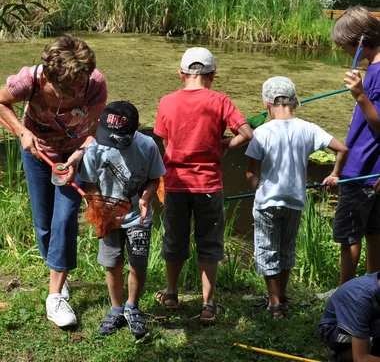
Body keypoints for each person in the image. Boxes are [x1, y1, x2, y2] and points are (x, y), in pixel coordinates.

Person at [0, 34, 107, 327]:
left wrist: (81, 153)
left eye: (78, 87)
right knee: (44, 222)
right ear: (49, 77)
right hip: (38, 153)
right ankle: (58, 273)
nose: (75, 94)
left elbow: (94, 128)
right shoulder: (28, 81)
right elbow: (1, 103)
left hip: (74, 154)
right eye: (67, 89)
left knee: (66, 218)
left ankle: (55, 296)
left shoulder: (95, 83)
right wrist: (22, 132)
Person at [153, 47, 252, 324]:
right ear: (213, 75)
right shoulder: (220, 100)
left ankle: (171, 294)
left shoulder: (167, 101)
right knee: (209, 243)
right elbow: (246, 134)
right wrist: (223, 145)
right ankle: (207, 306)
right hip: (208, 184)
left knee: (174, 238)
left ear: (181, 74)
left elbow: (165, 141)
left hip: (175, 184)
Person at [245, 76, 348, 318]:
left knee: (267, 249)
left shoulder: (262, 132)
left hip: (267, 201)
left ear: (267, 103)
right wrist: (334, 174)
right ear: (295, 102)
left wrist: (256, 187)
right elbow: (342, 149)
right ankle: (281, 296)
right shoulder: (308, 128)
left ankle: (274, 305)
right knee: (286, 249)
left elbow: (252, 170)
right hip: (294, 200)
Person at [80, 101, 166, 339]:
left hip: (138, 217)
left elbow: (154, 179)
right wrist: (98, 206)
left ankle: (132, 307)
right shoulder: (96, 148)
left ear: (134, 129)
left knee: (137, 262)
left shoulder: (147, 146)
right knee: (112, 262)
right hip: (108, 217)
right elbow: (90, 184)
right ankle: (116, 308)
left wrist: (146, 199)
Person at [332, 6, 380, 285]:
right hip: (371, 170)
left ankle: (345, 292)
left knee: (350, 236)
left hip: (361, 170)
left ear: (359, 41)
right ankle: (372, 290)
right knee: (374, 233)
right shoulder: (372, 69)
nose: (346, 53)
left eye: (345, 47)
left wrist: (360, 95)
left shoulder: (376, 73)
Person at [318, 272, 380, 361]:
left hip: (365, 319)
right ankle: (343, 357)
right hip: (334, 330)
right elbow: (360, 359)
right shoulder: (361, 298)